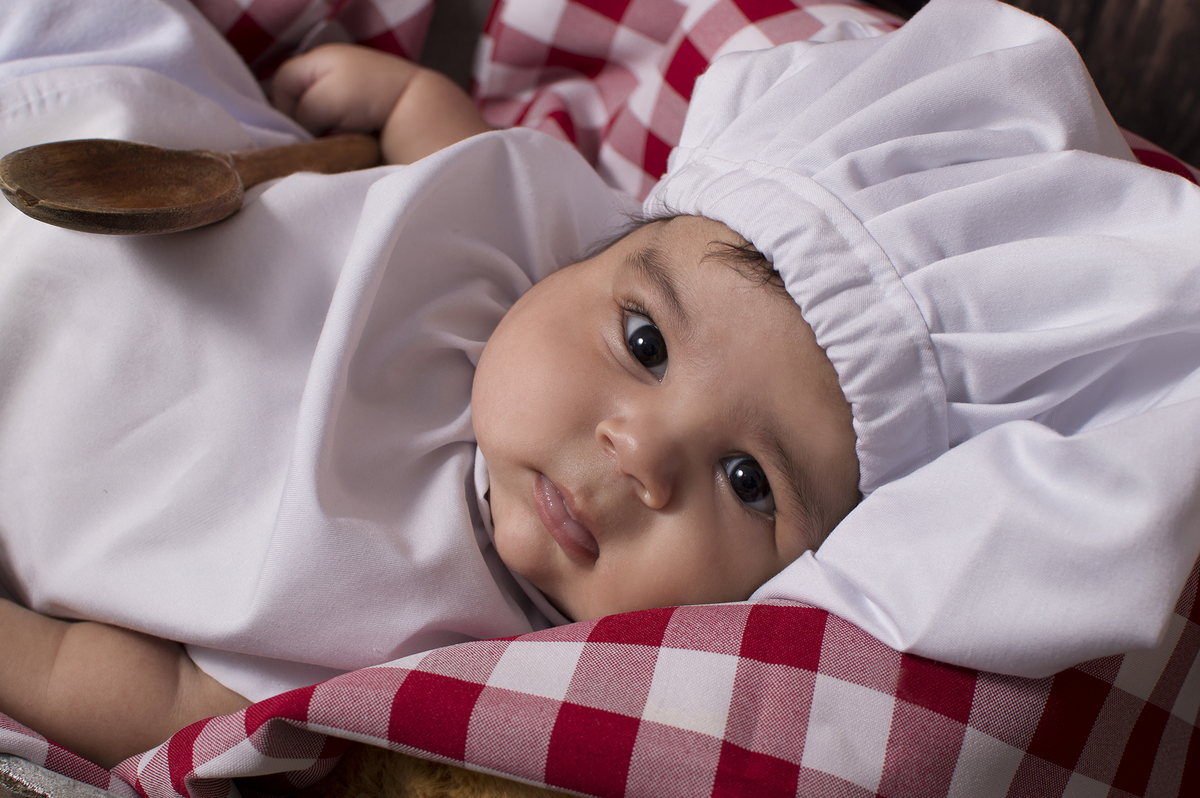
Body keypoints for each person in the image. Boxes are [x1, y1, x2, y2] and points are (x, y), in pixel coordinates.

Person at [2, 0, 1199, 775]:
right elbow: (475, 170)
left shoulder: (426, 645)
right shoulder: (536, 254)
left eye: (747, 480)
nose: (640, 449)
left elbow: (150, 691)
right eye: (644, 342)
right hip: (95, 112)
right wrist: (415, 106)